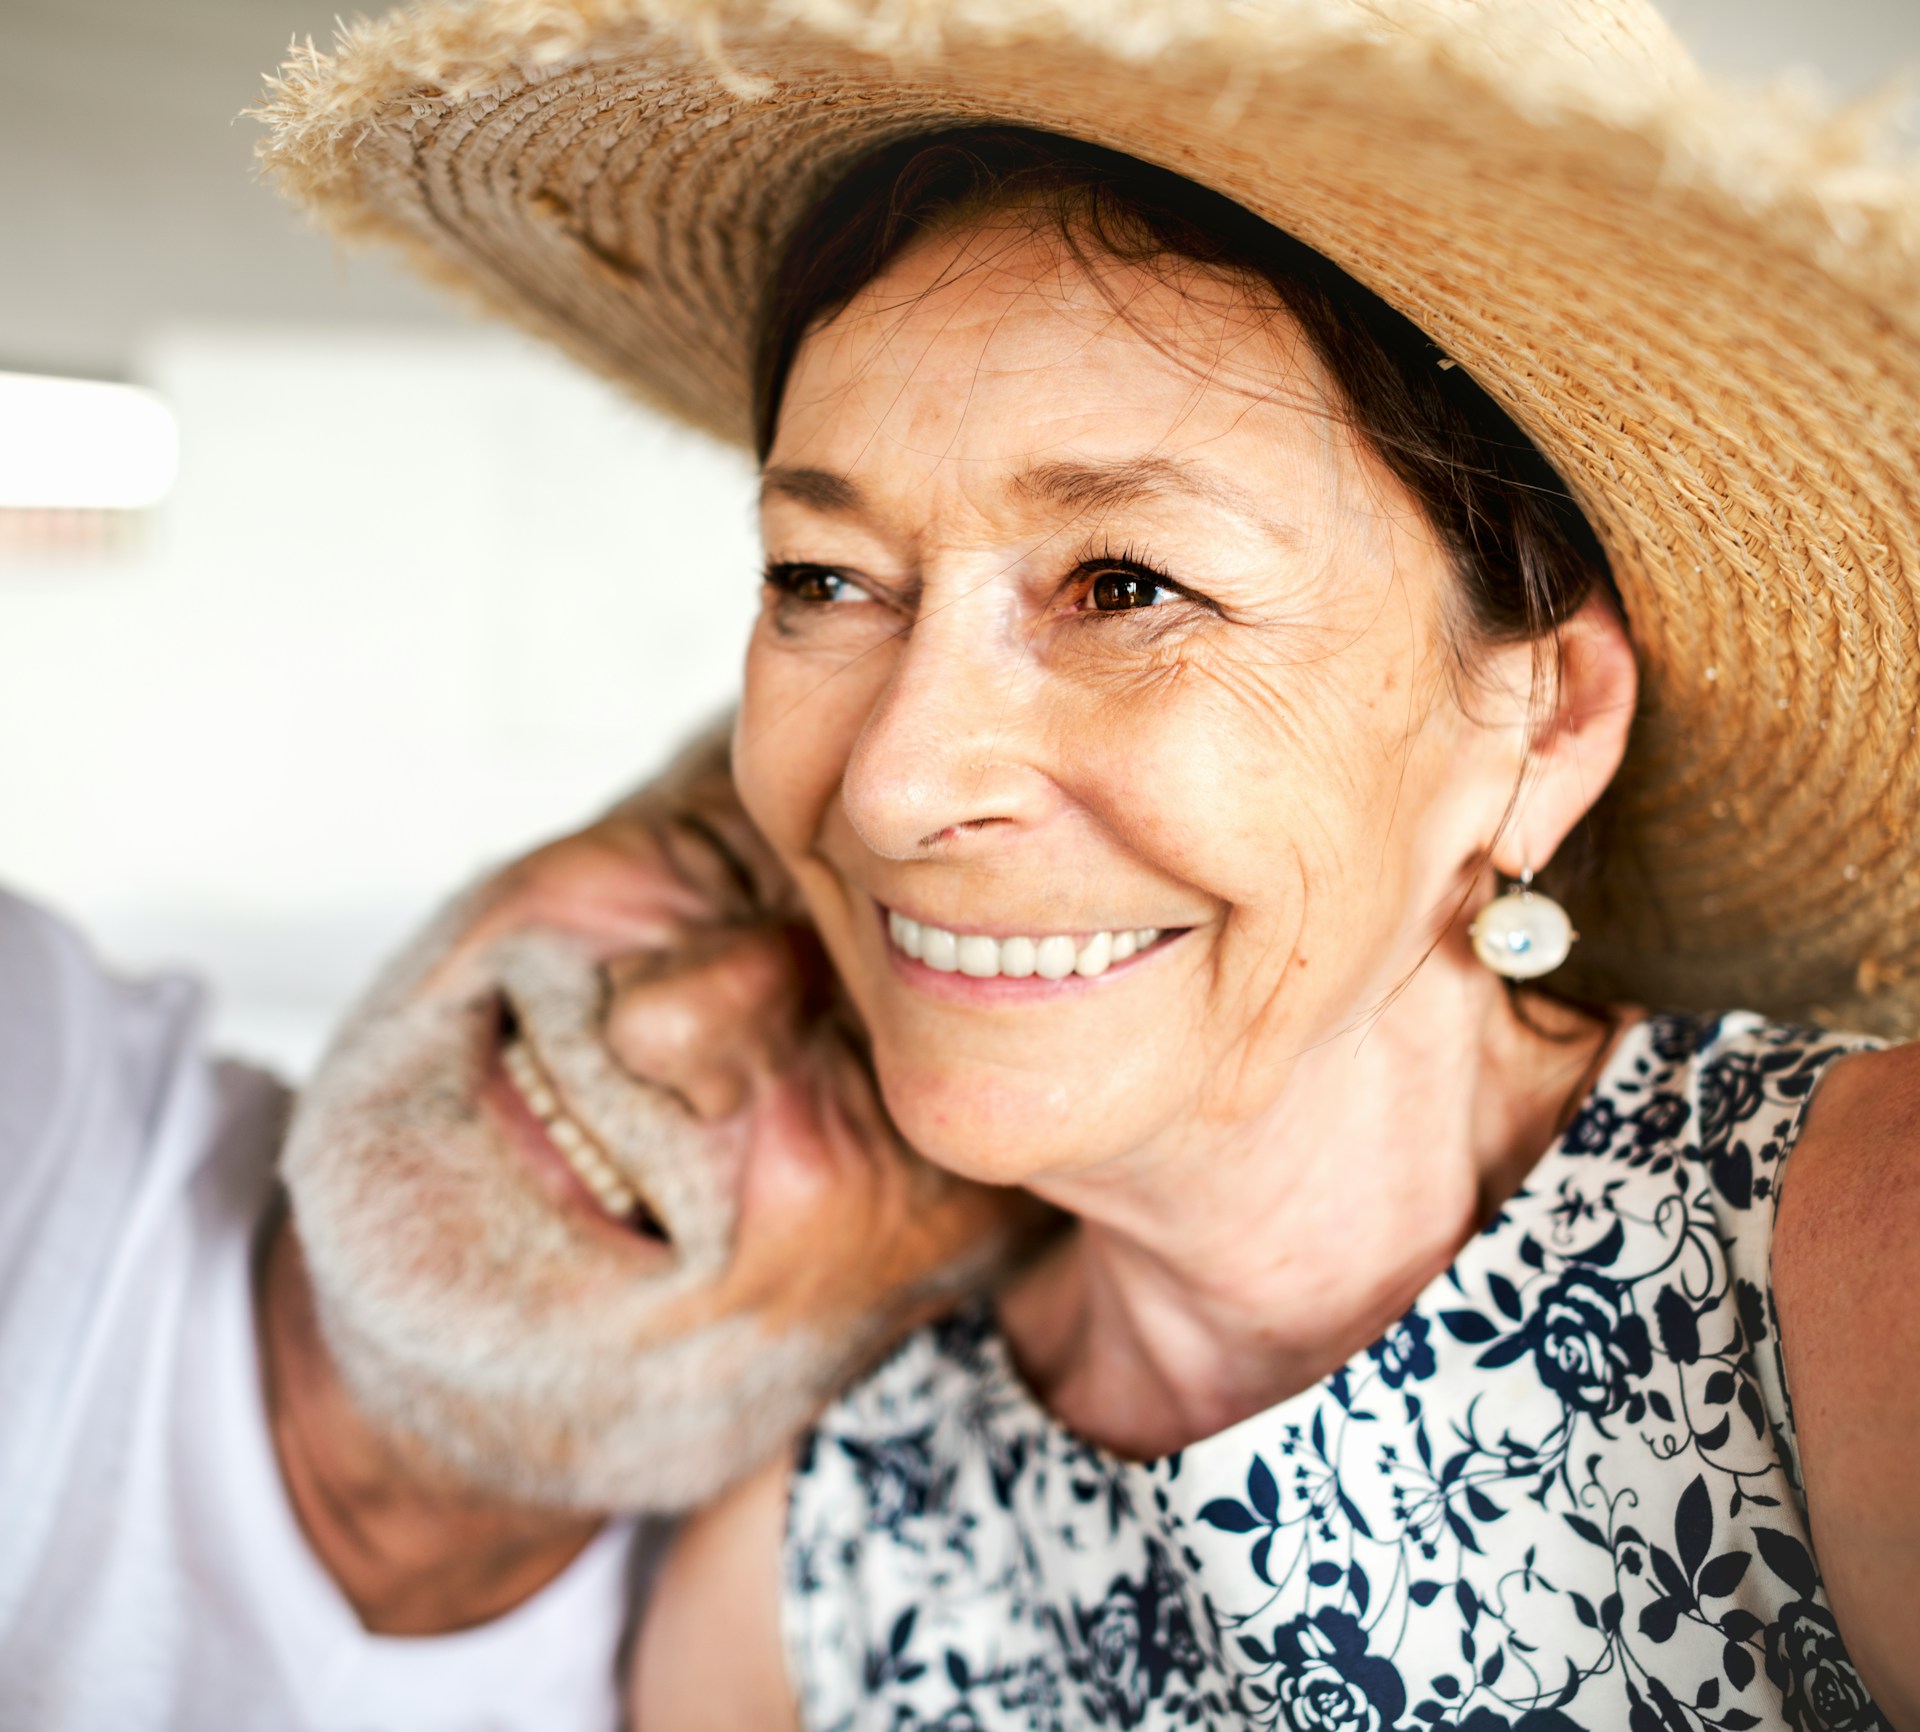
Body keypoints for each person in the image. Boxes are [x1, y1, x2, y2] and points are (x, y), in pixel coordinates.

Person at [260, 1, 1920, 1726]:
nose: (896, 783)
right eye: (822, 575)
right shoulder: (800, 1568)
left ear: (1544, 720)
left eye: (1125, 584)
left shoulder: (1855, 1265)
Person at [0, 724, 1044, 1731]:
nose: (658, 1023)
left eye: (861, 1051)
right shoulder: (37, 1069)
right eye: (710, 853)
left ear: (941, 1300)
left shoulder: (781, 1658)